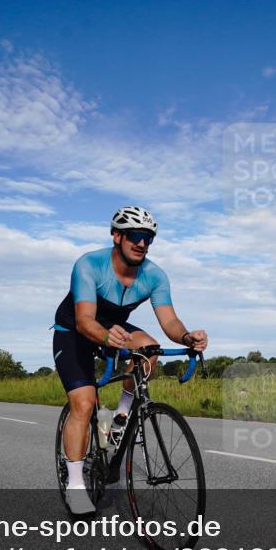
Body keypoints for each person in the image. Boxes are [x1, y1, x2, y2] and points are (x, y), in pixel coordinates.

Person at [53, 206, 208, 515]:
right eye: (135, 235)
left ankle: (121, 417)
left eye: (148, 238)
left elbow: (169, 321)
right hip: (74, 331)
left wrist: (187, 337)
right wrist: (104, 336)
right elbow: (85, 320)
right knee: (84, 403)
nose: (141, 243)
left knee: (150, 349)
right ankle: (76, 485)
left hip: (114, 329)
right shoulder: (89, 265)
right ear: (117, 236)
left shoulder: (154, 275)